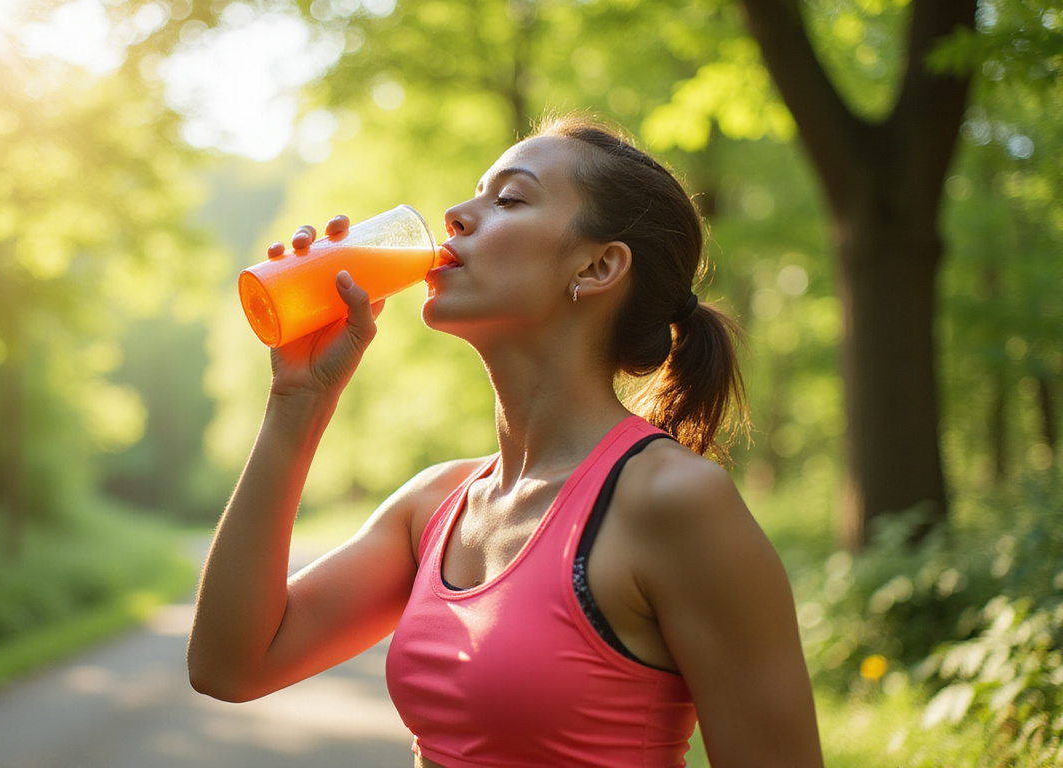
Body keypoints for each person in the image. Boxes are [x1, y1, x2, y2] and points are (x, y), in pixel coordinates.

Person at [188, 114, 824, 768]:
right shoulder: (435, 507)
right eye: (475, 194)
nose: (455, 216)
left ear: (598, 266)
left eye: (509, 199)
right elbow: (228, 666)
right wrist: (298, 400)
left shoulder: (673, 502)